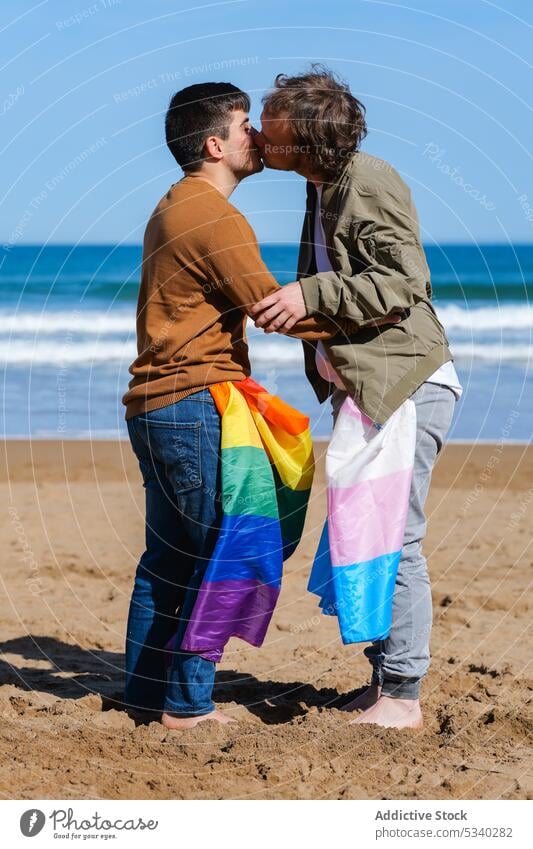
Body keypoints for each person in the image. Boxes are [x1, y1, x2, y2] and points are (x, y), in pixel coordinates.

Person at [121, 81, 369, 730]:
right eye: (242, 127)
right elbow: (271, 306)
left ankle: (146, 695)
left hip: (155, 405)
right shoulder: (211, 215)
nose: (255, 137)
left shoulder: (174, 204)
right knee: (220, 552)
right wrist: (362, 353)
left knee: (169, 558)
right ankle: (185, 705)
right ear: (213, 144)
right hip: (193, 402)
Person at [250, 67, 463, 730]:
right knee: (363, 533)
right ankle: (383, 684)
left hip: (405, 385)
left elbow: (401, 282)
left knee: (394, 538)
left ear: (306, 138)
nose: (259, 130)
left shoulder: (365, 180)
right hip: (372, 390)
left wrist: (306, 297)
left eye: (272, 120)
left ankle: (401, 693)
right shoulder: (323, 186)